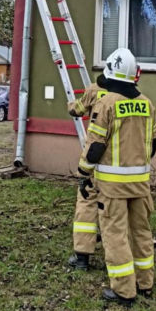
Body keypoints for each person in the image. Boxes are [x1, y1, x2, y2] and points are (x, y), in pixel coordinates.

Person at [76, 47, 156, 306]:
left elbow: (95, 146)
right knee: (141, 232)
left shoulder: (107, 103)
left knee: (115, 235)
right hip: (141, 184)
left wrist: (83, 173)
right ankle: (145, 283)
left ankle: (124, 290)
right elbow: (154, 144)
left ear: (111, 73)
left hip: (112, 188)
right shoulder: (147, 103)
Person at [66, 80, 107, 270]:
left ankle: (82, 257)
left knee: (86, 203)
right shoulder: (130, 94)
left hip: (95, 160)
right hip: (118, 165)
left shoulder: (94, 89)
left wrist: (70, 104)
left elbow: (77, 110)